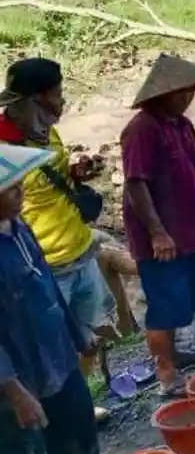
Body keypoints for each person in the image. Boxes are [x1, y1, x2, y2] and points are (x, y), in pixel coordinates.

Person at [0, 144, 101, 454]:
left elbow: (46, 290)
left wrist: (77, 333)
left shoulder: (19, 228)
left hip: (54, 351)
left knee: (75, 421)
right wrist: (12, 389)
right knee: (18, 452)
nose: (20, 187)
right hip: (15, 369)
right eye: (10, 185)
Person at [0, 58, 117, 377]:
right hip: (45, 267)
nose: (62, 102)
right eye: (57, 94)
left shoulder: (45, 132)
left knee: (91, 337)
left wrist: (75, 170)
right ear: (35, 100)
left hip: (80, 249)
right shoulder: (3, 151)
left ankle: (90, 396)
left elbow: (55, 175)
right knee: (56, 346)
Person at [121, 54, 195, 395]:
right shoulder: (141, 130)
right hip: (162, 237)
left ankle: (176, 351)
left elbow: (193, 177)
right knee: (164, 305)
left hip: (190, 227)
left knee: (190, 297)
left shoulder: (183, 126)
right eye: (180, 92)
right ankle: (165, 371)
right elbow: (135, 183)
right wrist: (157, 232)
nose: (187, 98)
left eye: (191, 91)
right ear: (161, 94)